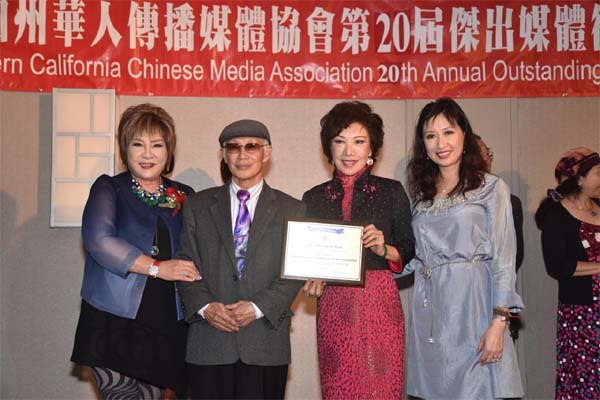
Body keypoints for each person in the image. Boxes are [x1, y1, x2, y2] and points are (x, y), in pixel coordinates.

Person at [71, 103, 199, 399]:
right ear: (124, 149)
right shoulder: (109, 188)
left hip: (165, 320)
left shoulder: (185, 195)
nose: (147, 154)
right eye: (137, 144)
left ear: (169, 151)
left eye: (157, 145)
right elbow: (99, 240)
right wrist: (158, 268)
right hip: (113, 317)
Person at [401, 97, 524, 399]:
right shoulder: (420, 198)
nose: (440, 143)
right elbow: (412, 259)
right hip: (430, 312)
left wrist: (499, 322)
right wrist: (367, 257)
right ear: (423, 145)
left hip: (474, 308)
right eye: (431, 136)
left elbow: (504, 258)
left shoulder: (491, 188)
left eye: (448, 132)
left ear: (464, 135)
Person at [176, 119, 304, 399]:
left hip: (265, 341)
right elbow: (185, 265)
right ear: (224, 155)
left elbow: (294, 272)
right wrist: (206, 307)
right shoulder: (197, 206)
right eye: (234, 147)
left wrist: (257, 307)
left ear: (266, 153)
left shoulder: (293, 208)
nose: (242, 155)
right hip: (209, 341)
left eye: (252, 146)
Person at [302, 101, 415, 399]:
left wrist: (383, 248)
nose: (348, 151)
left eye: (359, 141)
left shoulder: (392, 191)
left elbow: (408, 249)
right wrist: (310, 279)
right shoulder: (313, 198)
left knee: (381, 387)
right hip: (334, 304)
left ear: (371, 149)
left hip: (379, 302)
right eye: (340, 141)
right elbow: (306, 257)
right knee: (338, 387)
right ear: (329, 148)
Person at [535, 147, 600, 399]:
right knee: (587, 378)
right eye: (598, 172)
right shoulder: (557, 215)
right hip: (583, 316)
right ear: (579, 179)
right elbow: (557, 266)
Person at [475, 134, 525, 341]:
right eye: (482, 153)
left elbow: (514, 256)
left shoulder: (507, 198)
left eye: (488, 153)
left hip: (492, 294)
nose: (487, 158)